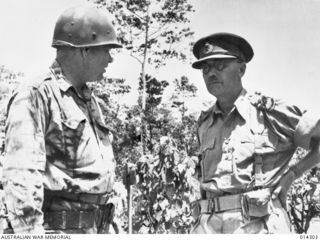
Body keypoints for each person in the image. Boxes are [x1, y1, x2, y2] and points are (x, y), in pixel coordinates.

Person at [2, 6, 122, 234]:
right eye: (106, 50)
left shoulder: (89, 100)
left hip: (98, 228)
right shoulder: (36, 94)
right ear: (85, 50)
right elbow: (21, 177)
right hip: (59, 231)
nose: (110, 59)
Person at [190, 32, 320, 233]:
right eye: (205, 68)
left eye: (220, 65)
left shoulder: (269, 112)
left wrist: (293, 174)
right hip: (208, 225)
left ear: (241, 69)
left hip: (258, 225)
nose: (211, 73)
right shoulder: (204, 122)